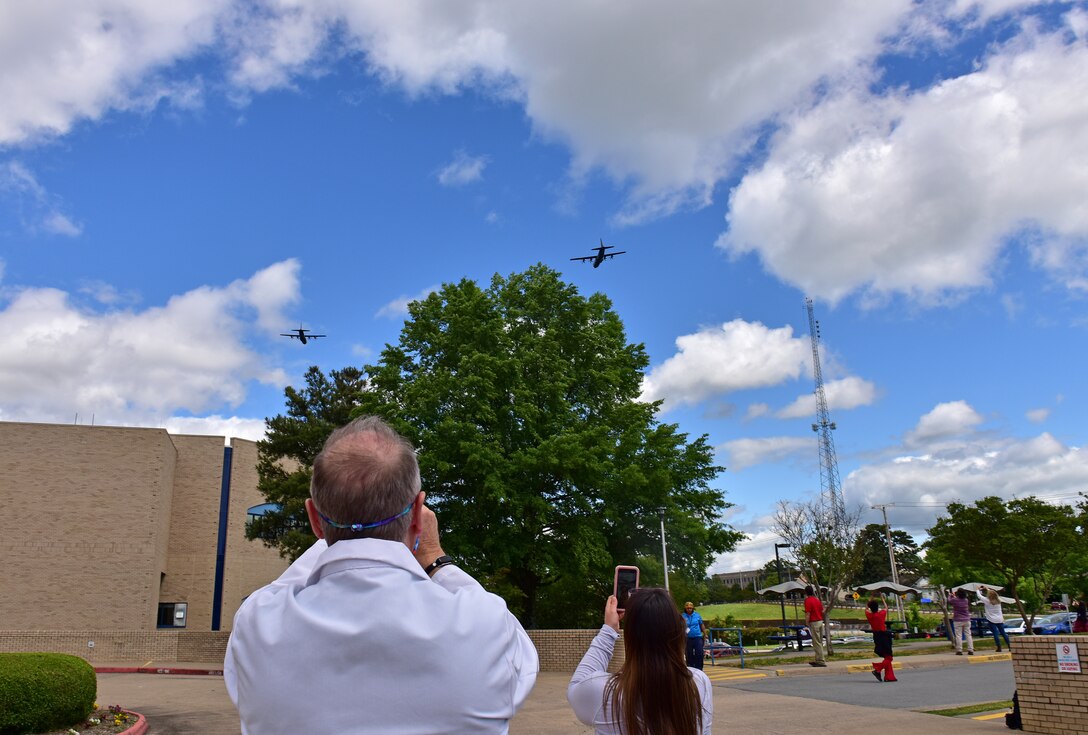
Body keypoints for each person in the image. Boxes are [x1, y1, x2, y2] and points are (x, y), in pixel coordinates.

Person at [224, 416, 539, 734]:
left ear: (314, 520)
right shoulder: (483, 623)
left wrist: (338, 528)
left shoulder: (259, 623)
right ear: (418, 514)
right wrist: (434, 558)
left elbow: (282, 586)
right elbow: (521, 658)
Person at [568, 589, 713, 735]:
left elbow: (576, 684)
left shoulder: (604, 692)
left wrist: (608, 631)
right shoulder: (698, 683)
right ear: (678, 631)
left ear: (631, 637)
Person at [865, 597, 897, 682]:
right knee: (889, 657)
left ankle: (889, 677)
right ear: (877, 607)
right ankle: (878, 669)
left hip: (876, 636)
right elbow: (886, 607)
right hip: (884, 636)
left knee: (886, 657)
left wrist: (870, 598)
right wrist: (882, 598)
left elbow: (866, 609)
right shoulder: (881, 614)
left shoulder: (869, 615)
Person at [978, 586, 1010, 652]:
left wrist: (977, 590)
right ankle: (1009, 645)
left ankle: (999, 647)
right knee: (1003, 633)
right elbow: (993, 594)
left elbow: (979, 596)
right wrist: (987, 589)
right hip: (999, 619)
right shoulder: (998, 601)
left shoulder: (987, 601)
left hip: (991, 619)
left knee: (995, 633)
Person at [803, 585, 827, 667]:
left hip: (814, 622)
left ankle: (821, 661)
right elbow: (823, 610)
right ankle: (818, 659)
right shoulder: (817, 600)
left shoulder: (807, 601)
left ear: (806, 592)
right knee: (819, 641)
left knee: (816, 642)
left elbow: (808, 613)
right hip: (820, 621)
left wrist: (806, 623)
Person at [947, 587, 974, 655]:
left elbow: (949, 600)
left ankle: (959, 650)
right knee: (968, 635)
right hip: (966, 619)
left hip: (958, 620)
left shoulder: (955, 600)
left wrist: (950, 595)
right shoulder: (966, 600)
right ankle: (970, 649)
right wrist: (954, 596)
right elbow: (959, 600)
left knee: (958, 635)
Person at [682, 601, 708, 670]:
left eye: (690, 608)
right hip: (687, 638)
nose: (689, 609)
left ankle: (699, 668)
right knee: (689, 654)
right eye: (687, 608)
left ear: (693, 608)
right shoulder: (682, 616)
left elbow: (701, 625)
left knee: (699, 653)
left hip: (697, 637)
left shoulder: (697, 615)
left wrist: (705, 634)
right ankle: (691, 668)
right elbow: (680, 626)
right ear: (685, 609)